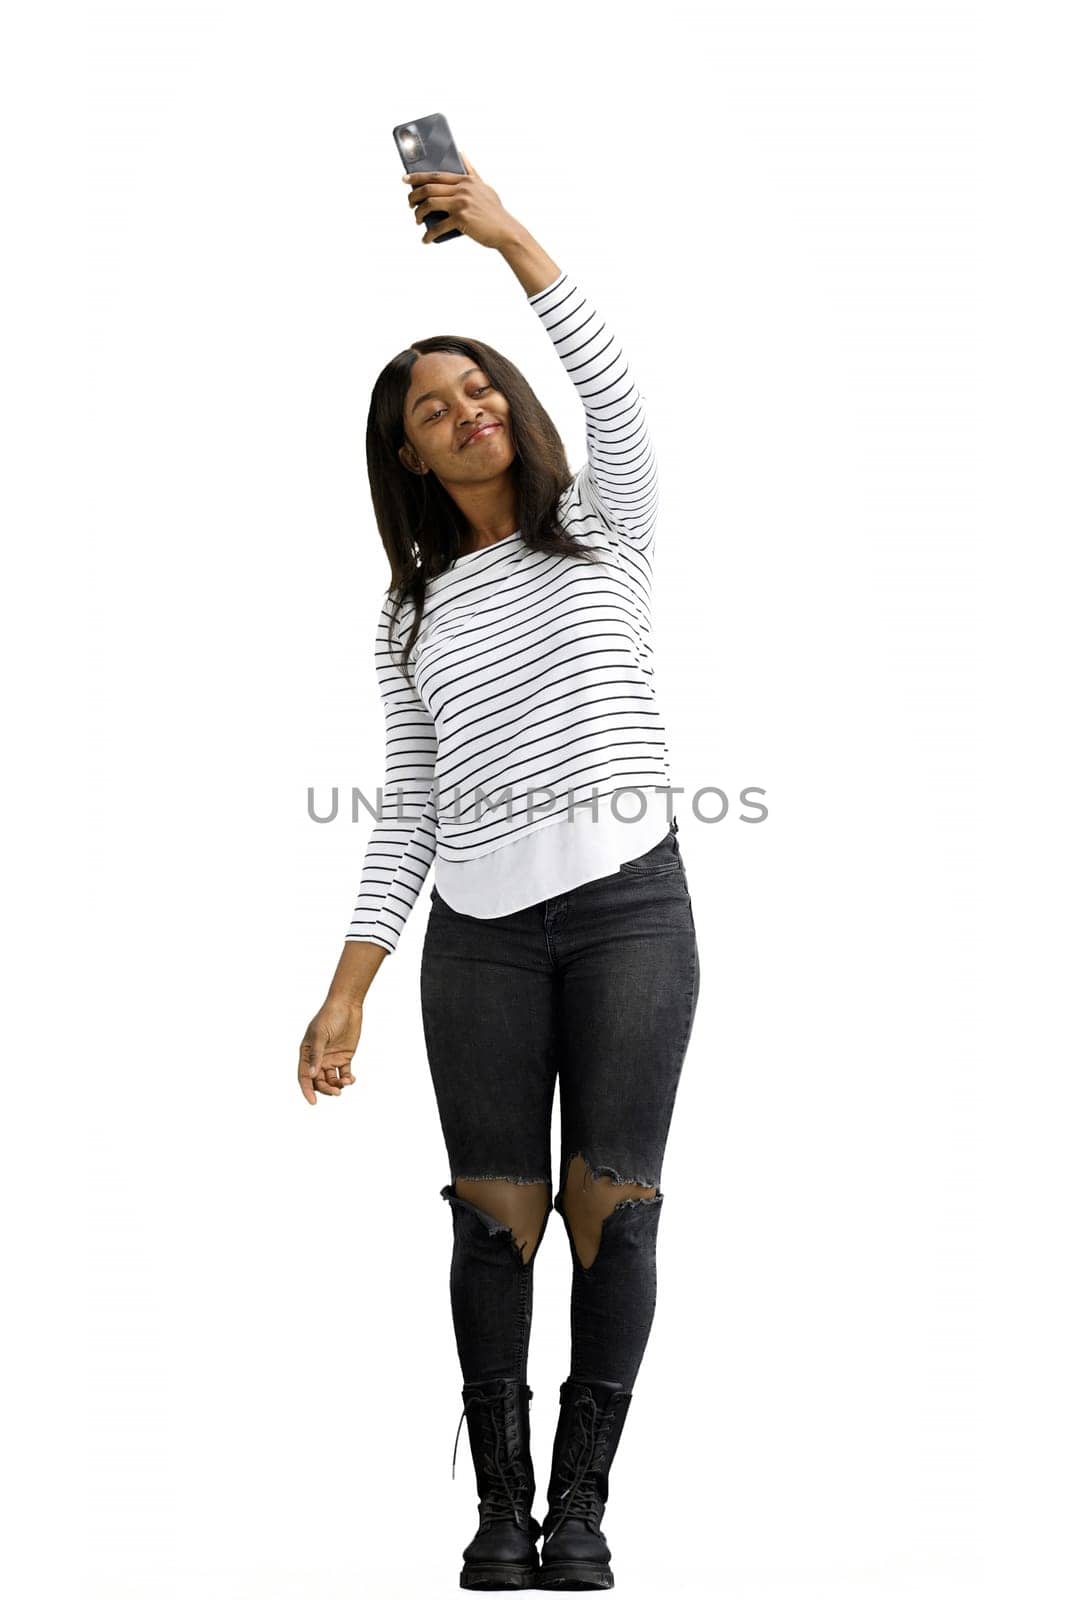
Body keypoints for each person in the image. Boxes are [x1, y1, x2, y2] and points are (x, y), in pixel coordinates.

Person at [298, 153, 701, 1592]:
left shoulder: (603, 526)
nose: (467, 409)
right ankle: (500, 1514)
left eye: (481, 388)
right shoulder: (409, 615)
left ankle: (584, 1509)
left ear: (512, 409)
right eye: (433, 405)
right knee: (494, 1219)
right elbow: (406, 805)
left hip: (626, 915)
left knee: (614, 1205)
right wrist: (344, 991)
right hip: (476, 933)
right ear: (408, 452)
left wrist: (508, 236)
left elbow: (619, 398)